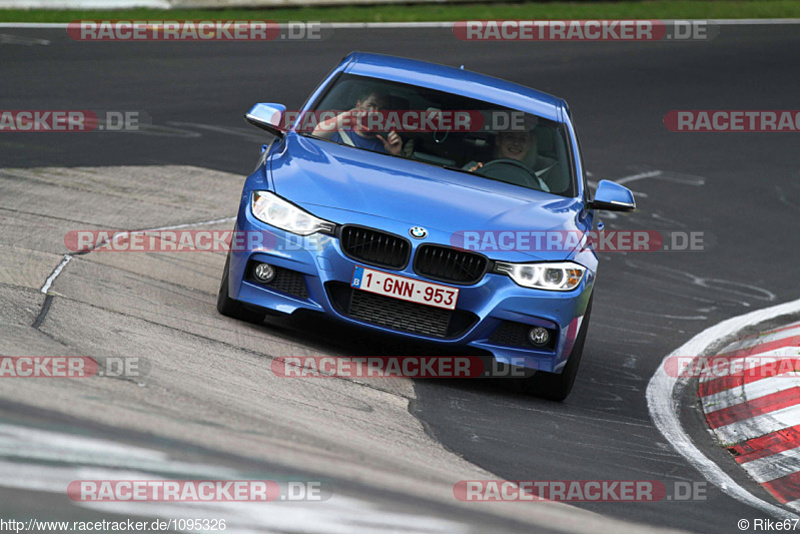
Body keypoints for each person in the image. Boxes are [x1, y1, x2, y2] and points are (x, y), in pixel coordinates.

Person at [312, 90, 403, 156]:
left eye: (382, 109)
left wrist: (396, 154)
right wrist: (346, 116)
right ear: (358, 105)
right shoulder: (338, 132)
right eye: (370, 106)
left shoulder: (387, 145)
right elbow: (315, 136)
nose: (375, 112)